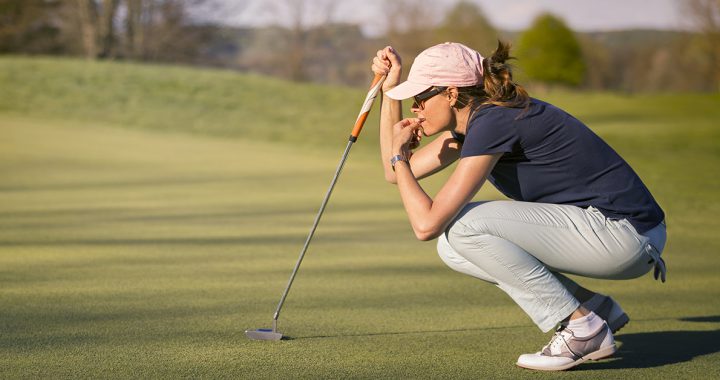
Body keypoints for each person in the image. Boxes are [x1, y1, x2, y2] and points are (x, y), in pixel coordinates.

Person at [370, 41, 666, 371]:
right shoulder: (475, 124)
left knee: (463, 226)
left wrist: (400, 155)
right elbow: (393, 172)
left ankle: (583, 328)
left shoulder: (494, 122)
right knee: (452, 248)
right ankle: (591, 306)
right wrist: (390, 88)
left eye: (421, 98)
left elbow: (426, 224)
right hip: (615, 233)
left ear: (452, 94)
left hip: (625, 236)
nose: (416, 108)